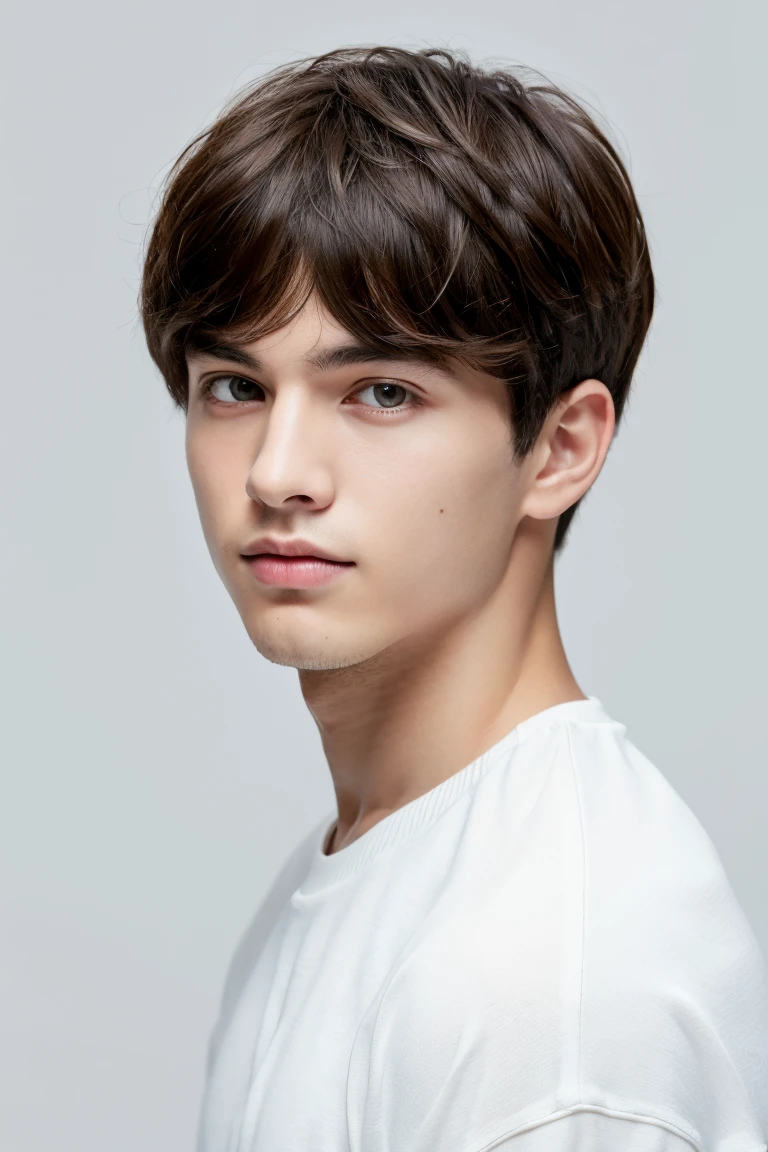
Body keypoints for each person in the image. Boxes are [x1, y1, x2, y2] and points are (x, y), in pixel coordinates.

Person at [139, 45, 767, 1152]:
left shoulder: (550, 988)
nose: (279, 471)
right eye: (233, 387)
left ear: (560, 450)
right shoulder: (363, 872)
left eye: (381, 392)